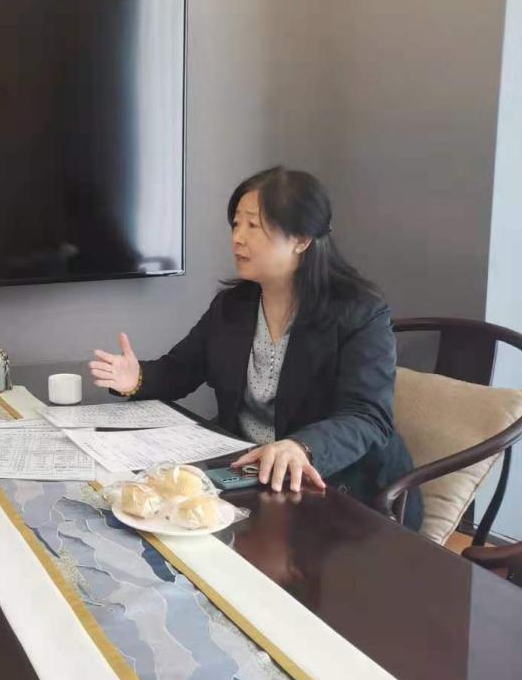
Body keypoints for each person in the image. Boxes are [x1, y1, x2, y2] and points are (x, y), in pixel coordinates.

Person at [90, 166, 422, 530]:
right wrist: (136, 377)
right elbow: (181, 369)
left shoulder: (360, 312)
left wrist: (301, 447)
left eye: (254, 226)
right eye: (236, 224)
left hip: (341, 490)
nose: (238, 238)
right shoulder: (233, 306)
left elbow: (368, 415)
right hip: (250, 477)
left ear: (301, 239)